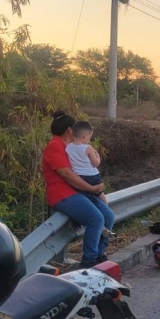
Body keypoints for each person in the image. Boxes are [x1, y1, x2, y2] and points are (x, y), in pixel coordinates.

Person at [42, 110, 115, 268]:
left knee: (108, 216)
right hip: (62, 194)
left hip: (79, 192)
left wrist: (97, 190)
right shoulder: (55, 146)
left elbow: (85, 170)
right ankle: (89, 261)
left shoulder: (71, 147)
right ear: (69, 130)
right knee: (96, 219)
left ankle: (100, 255)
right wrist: (91, 187)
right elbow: (67, 174)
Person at [66, 120, 107, 204]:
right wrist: (98, 157)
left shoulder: (68, 147)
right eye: (90, 137)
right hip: (92, 177)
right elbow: (95, 163)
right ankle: (105, 206)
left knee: (86, 196)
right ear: (85, 136)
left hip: (78, 178)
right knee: (101, 195)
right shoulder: (88, 148)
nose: (89, 139)